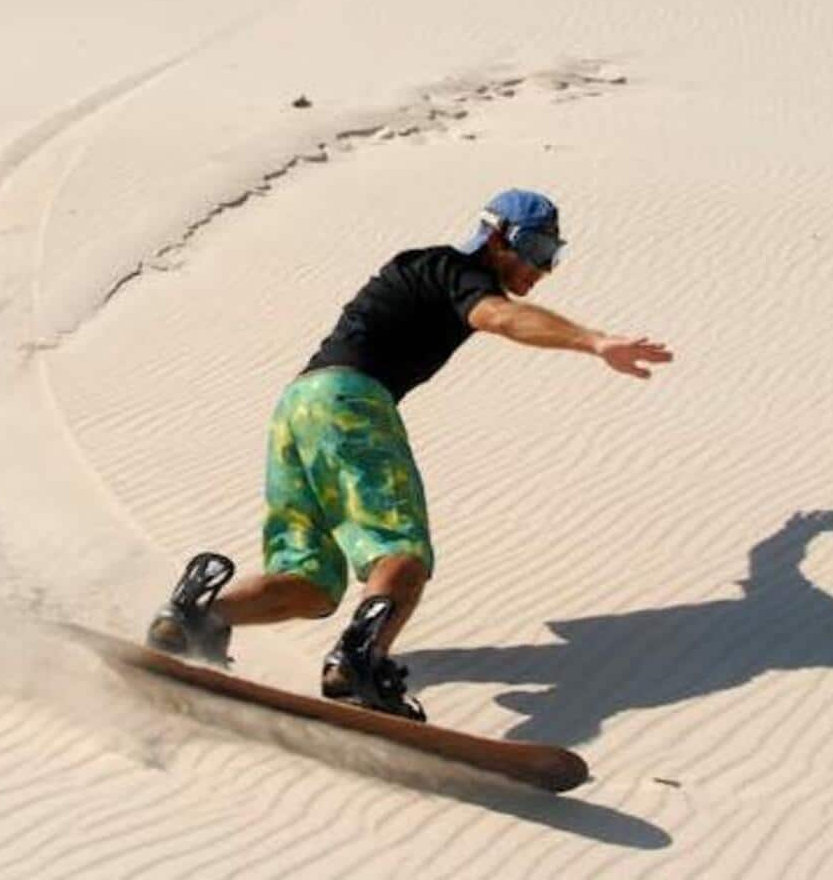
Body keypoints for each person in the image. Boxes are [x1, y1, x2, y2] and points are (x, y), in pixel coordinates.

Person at [145, 188, 673, 720]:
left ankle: (197, 616)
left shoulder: (425, 268)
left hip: (297, 410)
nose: (542, 268)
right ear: (495, 238)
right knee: (402, 550)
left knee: (311, 583)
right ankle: (359, 663)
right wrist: (595, 341)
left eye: (552, 256)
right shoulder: (457, 270)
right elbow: (500, 317)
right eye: (534, 249)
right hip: (351, 402)